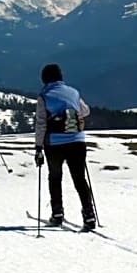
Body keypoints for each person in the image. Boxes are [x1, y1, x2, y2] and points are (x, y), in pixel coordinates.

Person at [34, 63, 95, 231]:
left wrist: (38, 147)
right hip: (77, 140)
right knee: (79, 178)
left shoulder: (44, 96)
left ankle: (57, 213)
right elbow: (85, 111)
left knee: (55, 177)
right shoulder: (73, 92)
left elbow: (41, 123)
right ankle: (89, 214)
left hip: (54, 142)